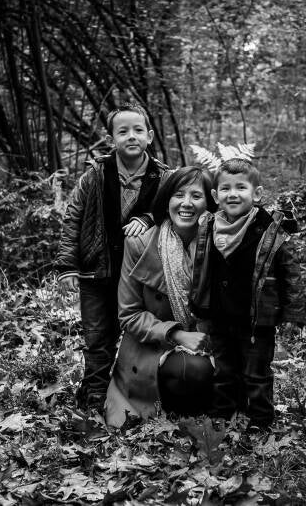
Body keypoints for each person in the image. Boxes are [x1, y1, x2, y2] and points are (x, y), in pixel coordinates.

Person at [53, 102, 170, 412]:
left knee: (140, 333)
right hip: (97, 272)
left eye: (138, 130)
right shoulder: (95, 174)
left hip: (140, 275)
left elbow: (172, 214)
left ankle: (139, 394)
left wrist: (148, 218)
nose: (131, 136)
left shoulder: (163, 177)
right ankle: (94, 393)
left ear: (149, 136)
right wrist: (67, 265)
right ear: (111, 140)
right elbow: (74, 216)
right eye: (123, 131)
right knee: (98, 336)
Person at [105, 166, 217, 428]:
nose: (186, 203)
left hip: (208, 341)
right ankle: (171, 417)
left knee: (204, 370)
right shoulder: (140, 243)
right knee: (190, 369)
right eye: (179, 195)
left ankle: (198, 416)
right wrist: (177, 335)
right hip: (153, 348)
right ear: (167, 201)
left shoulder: (220, 243)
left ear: (209, 205)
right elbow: (129, 315)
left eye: (196, 196)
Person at [197, 158, 303, 428]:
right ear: (215, 196)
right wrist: (199, 307)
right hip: (220, 316)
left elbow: (290, 273)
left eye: (241, 187)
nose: (233, 194)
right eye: (226, 188)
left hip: (257, 319)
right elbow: (202, 271)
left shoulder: (271, 229)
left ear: (256, 194)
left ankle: (260, 421)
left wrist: (291, 314)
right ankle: (223, 417)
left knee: (256, 374)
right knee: (224, 371)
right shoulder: (208, 227)